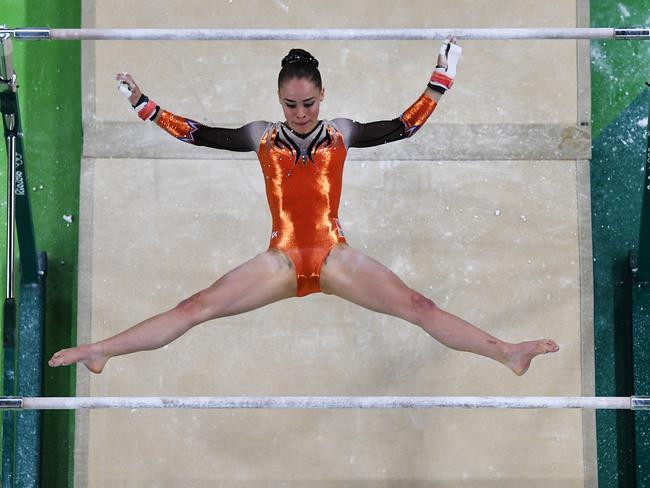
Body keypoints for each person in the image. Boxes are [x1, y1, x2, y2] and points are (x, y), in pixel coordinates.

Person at [49, 40, 558, 376]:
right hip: (281, 261)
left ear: (321, 97)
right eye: (290, 105)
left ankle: (506, 353)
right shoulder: (261, 137)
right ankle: (102, 351)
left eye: (308, 104)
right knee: (194, 308)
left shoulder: (343, 133)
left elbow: (406, 125)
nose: (299, 114)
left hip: (336, 258)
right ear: (278, 99)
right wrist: (145, 105)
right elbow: (199, 133)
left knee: (419, 308)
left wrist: (440, 78)